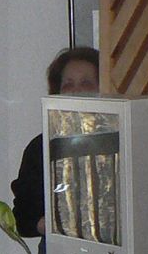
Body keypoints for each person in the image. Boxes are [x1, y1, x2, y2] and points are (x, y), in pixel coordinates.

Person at [11, 46, 102, 237]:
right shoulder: (41, 147)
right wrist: (49, 225)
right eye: (68, 84)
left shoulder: (124, 141)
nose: (76, 90)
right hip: (59, 249)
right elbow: (23, 216)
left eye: (86, 83)